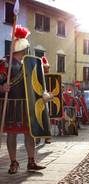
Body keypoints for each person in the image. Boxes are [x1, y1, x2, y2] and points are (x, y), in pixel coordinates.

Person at [0, 25, 46, 174]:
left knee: (29, 133)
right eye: (24, 50)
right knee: (12, 134)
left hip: (27, 105)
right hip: (12, 105)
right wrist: (2, 87)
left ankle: (31, 161)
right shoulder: (5, 64)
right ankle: (14, 162)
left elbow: (37, 84)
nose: (25, 52)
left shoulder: (30, 63)